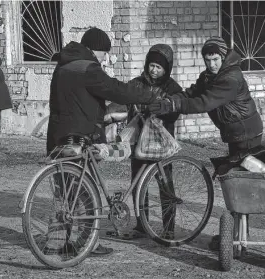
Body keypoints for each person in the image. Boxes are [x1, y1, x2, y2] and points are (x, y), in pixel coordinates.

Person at [45, 27, 162, 255]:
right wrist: (149, 96)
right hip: (80, 139)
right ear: (93, 49)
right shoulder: (88, 68)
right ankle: (87, 243)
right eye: (104, 52)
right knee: (86, 192)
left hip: (57, 137)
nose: (105, 57)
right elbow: (116, 90)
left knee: (64, 193)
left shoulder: (63, 66)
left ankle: (54, 243)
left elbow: (77, 101)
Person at [147, 37, 264, 249]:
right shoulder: (210, 75)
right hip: (235, 134)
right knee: (235, 185)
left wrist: (173, 105)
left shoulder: (231, 77)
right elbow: (193, 92)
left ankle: (239, 240)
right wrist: (171, 99)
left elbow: (204, 102)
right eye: (208, 60)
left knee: (241, 187)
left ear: (224, 56)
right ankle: (236, 237)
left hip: (247, 134)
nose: (211, 64)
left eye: (215, 59)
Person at [124, 44, 182, 240]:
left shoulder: (173, 88)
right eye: (151, 65)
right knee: (138, 183)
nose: (154, 70)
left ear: (167, 69)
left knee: (166, 186)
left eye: (159, 67)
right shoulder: (136, 84)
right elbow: (123, 103)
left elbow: (175, 113)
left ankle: (169, 228)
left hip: (160, 144)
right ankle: (141, 225)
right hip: (139, 143)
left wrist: (160, 110)